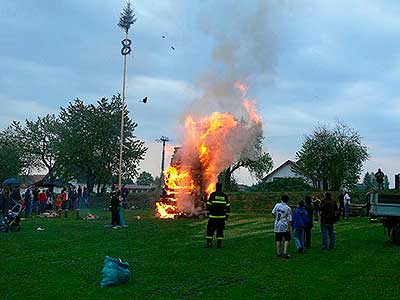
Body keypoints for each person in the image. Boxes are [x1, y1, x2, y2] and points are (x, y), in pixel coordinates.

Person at [205, 182, 230, 248]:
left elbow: (208, 204)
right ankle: (219, 244)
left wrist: (208, 212)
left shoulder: (213, 195)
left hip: (213, 217)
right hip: (221, 217)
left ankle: (209, 243)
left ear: (216, 187)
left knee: (210, 230)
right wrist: (227, 215)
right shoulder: (224, 196)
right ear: (221, 187)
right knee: (220, 231)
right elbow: (228, 206)